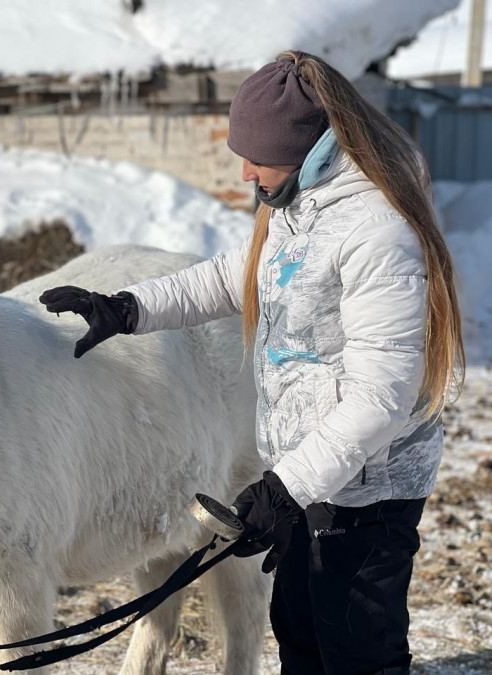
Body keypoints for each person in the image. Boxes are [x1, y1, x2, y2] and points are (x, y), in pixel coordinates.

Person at [39, 51, 464, 675]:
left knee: (357, 654)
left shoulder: (379, 232)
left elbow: (380, 398)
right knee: (299, 636)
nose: (244, 171)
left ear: (307, 147)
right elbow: (230, 277)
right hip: (304, 473)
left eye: (255, 156)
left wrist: (282, 489)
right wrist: (127, 309)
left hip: (366, 491)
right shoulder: (297, 205)